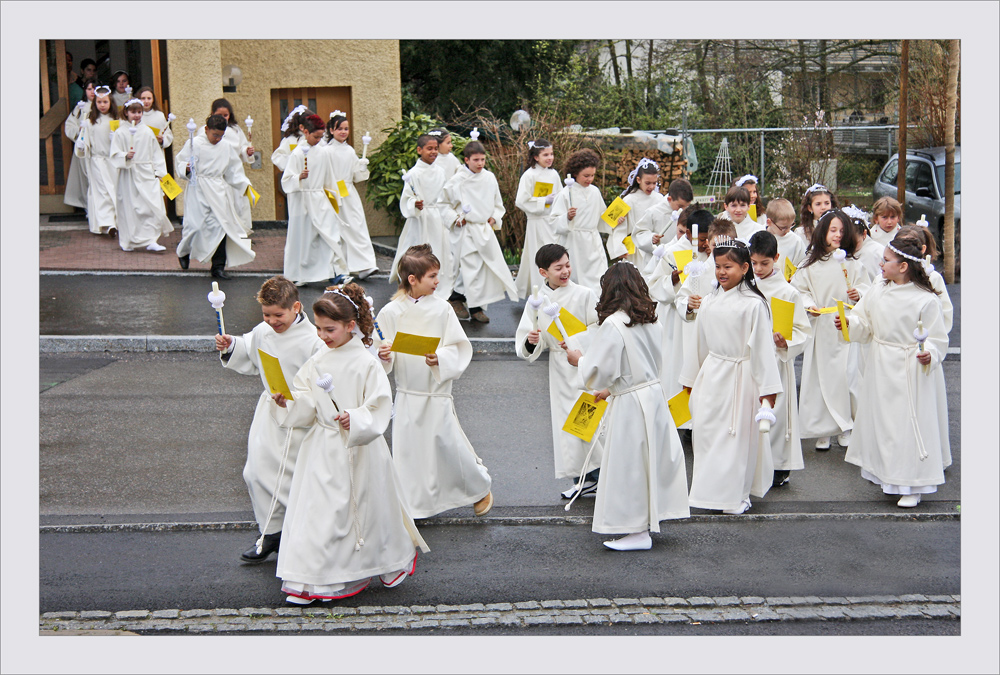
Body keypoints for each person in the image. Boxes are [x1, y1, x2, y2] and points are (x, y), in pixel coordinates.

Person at [271, 284, 429, 604]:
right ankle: (312, 579)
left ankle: (376, 564)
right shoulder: (318, 360)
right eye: (318, 328)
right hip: (321, 448)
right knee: (318, 513)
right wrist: (287, 401)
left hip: (358, 448)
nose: (322, 335)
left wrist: (354, 419)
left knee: (363, 513)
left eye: (330, 329)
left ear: (350, 326)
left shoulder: (366, 362)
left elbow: (379, 405)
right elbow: (306, 399)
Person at [563, 262, 690, 550]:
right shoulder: (650, 319)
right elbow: (639, 365)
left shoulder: (614, 324)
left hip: (632, 404)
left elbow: (599, 369)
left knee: (629, 464)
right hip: (652, 395)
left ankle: (636, 530)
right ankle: (645, 523)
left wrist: (578, 360)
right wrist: (612, 390)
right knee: (648, 462)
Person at [376, 245, 494, 519]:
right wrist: (384, 354)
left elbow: (458, 346)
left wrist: (439, 358)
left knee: (447, 445)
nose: (438, 281)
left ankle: (479, 488)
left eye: (438, 274)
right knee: (409, 454)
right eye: (432, 276)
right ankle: (414, 506)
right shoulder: (391, 312)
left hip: (436, 392)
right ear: (412, 279)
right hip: (407, 394)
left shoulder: (442, 309)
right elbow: (380, 353)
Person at [215, 276, 325, 562]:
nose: (272, 321)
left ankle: (300, 535)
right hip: (269, 412)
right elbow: (249, 354)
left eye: (279, 315)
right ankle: (270, 532)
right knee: (255, 473)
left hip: (300, 416)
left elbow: (323, 383)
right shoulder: (263, 331)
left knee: (292, 479)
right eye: (266, 314)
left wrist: (297, 400)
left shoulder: (314, 341)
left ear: (296, 307)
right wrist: (230, 345)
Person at [838, 236, 950, 508]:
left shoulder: (925, 300)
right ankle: (889, 477)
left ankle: (912, 484)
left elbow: (937, 338)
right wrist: (847, 322)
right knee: (885, 424)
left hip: (909, 366)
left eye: (886, 260)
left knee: (907, 423)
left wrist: (930, 354)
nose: (881, 263)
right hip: (880, 363)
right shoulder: (878, 288)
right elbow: (865, 322)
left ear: (903, 267)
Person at [679, 236, 782, 515]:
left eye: (729, 267)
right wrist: (690, 380)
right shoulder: (710, 301)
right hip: (712, 374)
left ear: (745, 268)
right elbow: (698, 343)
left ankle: (736, 495)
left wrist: (767, 394)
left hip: (741, 376)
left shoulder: (754, 304)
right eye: (718, 266)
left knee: (735, 438)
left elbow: (762, 350)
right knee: (707, 434)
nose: (722, 272)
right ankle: (707, 492)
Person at [514, 243, 602, 498]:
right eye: (558, 268)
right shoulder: (537, 301)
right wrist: (532, 341)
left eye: (567, 265)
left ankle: (598, 474)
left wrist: (576, 342)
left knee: (588, 420)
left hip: (585, 366)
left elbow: (600, 327)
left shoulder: (585, 294)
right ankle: (583, 477)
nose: (565, 271)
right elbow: (529, 338)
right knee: (568, 427)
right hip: (559, 370)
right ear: (544, 273)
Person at [791, 208, 871, 451]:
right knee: (819, 378)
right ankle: (822, 429)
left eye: (842, 231)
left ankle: (846, 425)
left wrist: (859, 294)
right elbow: (799, 291)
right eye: (833, 230)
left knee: (846, 376)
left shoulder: (852, 263)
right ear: (822, 232)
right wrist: (809, 305)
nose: (838, 235)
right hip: (821, 327)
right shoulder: (809, 265)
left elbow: (868, 289)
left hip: (845, 325)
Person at [749, 230, 812, 487]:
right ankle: (753, 464)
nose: (759, 269)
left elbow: (802, 330)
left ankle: (778, 466)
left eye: (765, 263)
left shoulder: (788, 292)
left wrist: (787, 343)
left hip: (777, 359)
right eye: (754, 263)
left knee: (777, 414)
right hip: (752, 360)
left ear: (776, 258)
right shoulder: (746, 287)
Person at [441, 141, 518, 323]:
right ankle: (471, 306)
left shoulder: (489, 178)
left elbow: (498, 203)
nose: (480, 163)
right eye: (476, 160)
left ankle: (459, 298)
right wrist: (455, 218)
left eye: (483, 159)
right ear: (466, 160)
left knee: (482, 269)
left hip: (484, 229)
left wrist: (494, 217)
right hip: (466, 230)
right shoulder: (456, 181)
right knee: (471, 267)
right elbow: (443, 205)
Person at [175, 114, 256, 279]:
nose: (218, 138)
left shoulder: (225, 147)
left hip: (218, 190)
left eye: (221, 135)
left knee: (221, 228)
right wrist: (187, 169)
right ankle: (183, 252)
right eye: (215, 135)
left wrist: (245, 186)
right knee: (195, 226)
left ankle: (218, 267)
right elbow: (180, 162)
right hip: (198, 189)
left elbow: (234, 170)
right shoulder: (194, 143)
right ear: (206, 130)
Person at [645, 208, 713, 402]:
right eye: (700, 239)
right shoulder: (672, 252)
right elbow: (653, 285)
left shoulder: (713, 253)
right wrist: (672, 280)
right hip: (677, 322)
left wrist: (712, 257)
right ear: (689, 234)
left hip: (703, 318)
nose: (704, 243)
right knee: (677, 366)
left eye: (708, 239)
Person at [280, 113, 349, 287]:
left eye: (321, 137)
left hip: (320, 200)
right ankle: (299, 273)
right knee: (303, 240)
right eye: (315, 136)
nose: (318, 140)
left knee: (328, 235)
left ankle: (334, 273)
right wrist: (298, 177)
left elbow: (330, 179)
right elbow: (286, 181)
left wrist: (335, 201)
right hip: (302, 201)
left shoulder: (323, 153)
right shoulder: (296, 154)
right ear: (306, 133)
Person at [390, 133, 454, 302]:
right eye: (429, 149)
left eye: (435, 148)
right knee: (416, 253)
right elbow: (407, 197)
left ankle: (436, 288)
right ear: (419, 150)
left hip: (437, 219)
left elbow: (445, 195)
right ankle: (411, 285)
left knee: (440, 252)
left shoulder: (440, 172)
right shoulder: (414, 174)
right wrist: (414, 205)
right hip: (420, 220)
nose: (433, 152)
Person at [109, 99, 172, 252]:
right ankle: (129, 240)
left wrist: (160, 173)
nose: (136, 115)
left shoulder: (147, 131)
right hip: (129, 174)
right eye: (133, 112)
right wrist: (125, 156)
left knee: (151, 206)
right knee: (130, 207)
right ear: (126, 113)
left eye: (139, 112)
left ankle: (151, 239)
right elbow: (114, 154)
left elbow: (156, 154)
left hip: (146, 173)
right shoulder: (120, 132)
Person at [324, 112, 379, 279]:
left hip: (348, 192)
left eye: (346, 129)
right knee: (338, 229)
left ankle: (365, 265)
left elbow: (356, 176)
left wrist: (361, 168)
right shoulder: (326, 151)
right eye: (339, 128)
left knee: (357, 226)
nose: (343, 132)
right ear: (331, 130)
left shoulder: (349, 150)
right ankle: (341, 267)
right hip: (333, 192)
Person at [549, 148, 609, 294]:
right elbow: (554, 222)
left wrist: (615, 220)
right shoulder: (565, 194)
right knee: (576, 278)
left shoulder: (595, 191)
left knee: (598, 276)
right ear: (575, 173)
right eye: (586, 175)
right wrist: (567, 217)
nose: (589, 179)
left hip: (593, 242)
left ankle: (597, 308)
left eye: (593, 175)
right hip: (574, 243)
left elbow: (602, 216)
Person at [514, 139, 563, 298]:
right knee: (539, 255)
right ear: (536, 157)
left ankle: (555, 288)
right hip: (536, 222)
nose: (550, 158)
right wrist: (543, 201)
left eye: (551, 154)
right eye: (545, 155)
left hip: (552, 221)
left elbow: (561, 195)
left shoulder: (554, 174)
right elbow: (521, 200)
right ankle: (540, 292)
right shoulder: (529, 175)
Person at [198, 98, 255, 234]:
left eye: (226, 115)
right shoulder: (204, 131)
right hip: (216, 176)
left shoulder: (235, 130)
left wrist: (246, 151)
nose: (223, 118)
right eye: (219, 115)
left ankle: (240, 234)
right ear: (212, 114)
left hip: (233, 171)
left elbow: (241, 147)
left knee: (239, 205)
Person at [74, 85, 119, 237]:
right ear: (95, 104)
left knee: (114, 190)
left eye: (105, 102)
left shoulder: (116, 120)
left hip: (113, 162)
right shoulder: (91, 121)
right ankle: (107, 223)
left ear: (110, 102)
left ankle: (116, 221)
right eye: (99, 102)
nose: (102, 105)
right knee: (102, 192)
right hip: (98, 162)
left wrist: (117, 139)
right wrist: (81, 145)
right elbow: (85, 140)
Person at [897, 224, 953, 333]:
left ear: (923, 249)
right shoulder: (890, 274)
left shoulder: (933, 277)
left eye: (909, 247)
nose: (904, 251)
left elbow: (945, 311)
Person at [607, 158, 663, 263]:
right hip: (635, 251)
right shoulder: (629, 200)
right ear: (638, 180)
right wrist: (619, 248)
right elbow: (619, 227)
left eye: (654, 183)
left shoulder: (660, 199)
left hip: (654, 247)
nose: (651, 186)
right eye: (648, 183)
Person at [631, 178, 694, 269]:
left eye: (687, 206)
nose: (683, 210)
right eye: (680, 206)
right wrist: (651, 238)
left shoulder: (688, 213)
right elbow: (639, 233)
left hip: (681, 258)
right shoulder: (653, 212)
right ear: (669, 199)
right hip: (656, 262)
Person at [63, 78, 96, 211]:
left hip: (99, 149)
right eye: (89, 89)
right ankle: (88, 207)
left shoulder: (104, 105)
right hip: (84, 150)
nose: (92, 92)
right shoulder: (80, 107)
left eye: (94, 88)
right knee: (85, 178)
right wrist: (80, 133)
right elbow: (70, 125)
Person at [765, 197, 807, 269]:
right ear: (769, 222)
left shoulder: (796, 241)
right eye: (783, 228)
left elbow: (802, 264)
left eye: (791, 225)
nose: (788, 230)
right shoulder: (758, 237)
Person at [271, 105, 311, 174]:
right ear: (301, 126)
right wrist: (294, 160)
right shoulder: (290, 140)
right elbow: (277, 157)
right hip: (295, 175)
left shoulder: (314, 138)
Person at [135, 86, 173, 154]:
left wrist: (162, 140)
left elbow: (168, 134)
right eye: (143, 98)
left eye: (149, 98)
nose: (146, 101)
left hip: (156, 152)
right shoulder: (135, 116)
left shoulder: (159, 115)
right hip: (140, 152)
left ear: (153, 100)